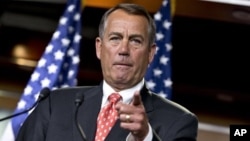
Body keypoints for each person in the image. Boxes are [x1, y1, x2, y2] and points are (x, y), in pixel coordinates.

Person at [16, 3, 198, 141]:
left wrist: (146, 137)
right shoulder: (54, 104)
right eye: (115, 38)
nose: (123, 50)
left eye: (135, 41)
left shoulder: (180, 122)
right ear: (99, 48)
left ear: (150, 54)